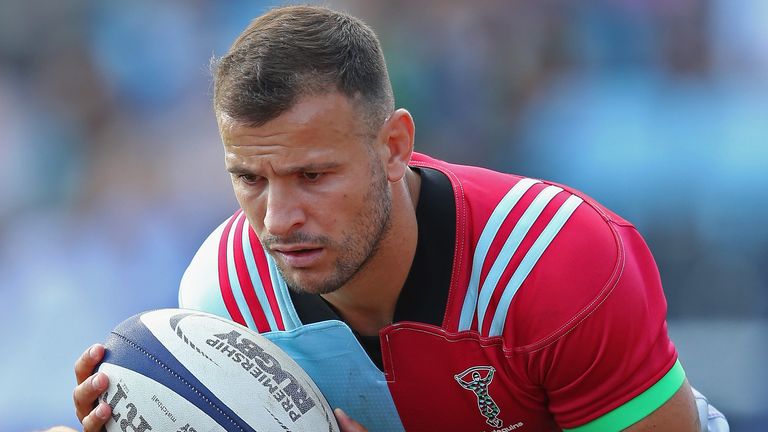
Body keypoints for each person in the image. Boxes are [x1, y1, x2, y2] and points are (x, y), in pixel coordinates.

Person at [72, 5, 729, 431]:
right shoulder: (224, 295)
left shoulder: (555, 259)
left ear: (393, 146)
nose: (277, 218)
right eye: (249, 179)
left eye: (313, 175)